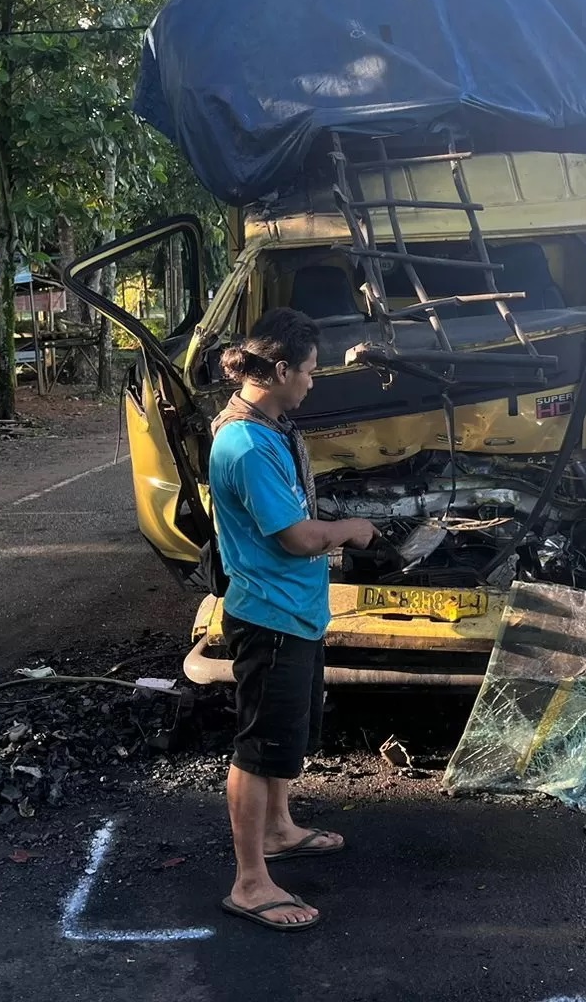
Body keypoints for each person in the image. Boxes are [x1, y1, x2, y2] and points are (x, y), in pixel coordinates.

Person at [208, 307, 378, 932]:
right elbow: (297, 537)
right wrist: (351, 530)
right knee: (258, 750)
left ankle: (278, 830)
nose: (312, 382)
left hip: (295, 612)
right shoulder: (246, 442)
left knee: (287, 735)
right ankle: (250, 881)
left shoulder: (269, 426)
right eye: (307, 372)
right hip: (271, 617)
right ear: (278, 370)